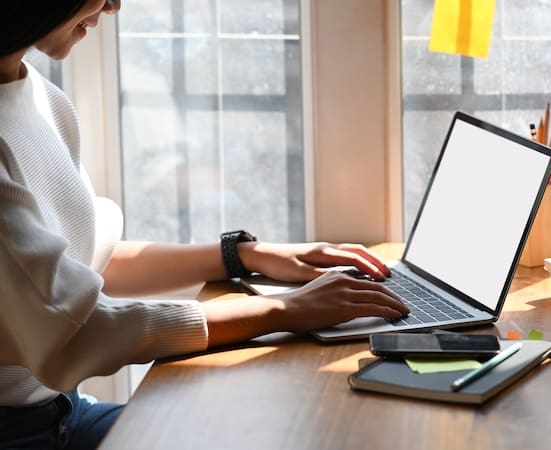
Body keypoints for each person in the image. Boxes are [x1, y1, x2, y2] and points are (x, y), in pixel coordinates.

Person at [0, 1, 409, 448]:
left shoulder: (37, 94)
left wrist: (242, 254)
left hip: (65, 411)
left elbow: (85, 266)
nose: (115, 4)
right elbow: (80, 328)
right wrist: (286, 310)